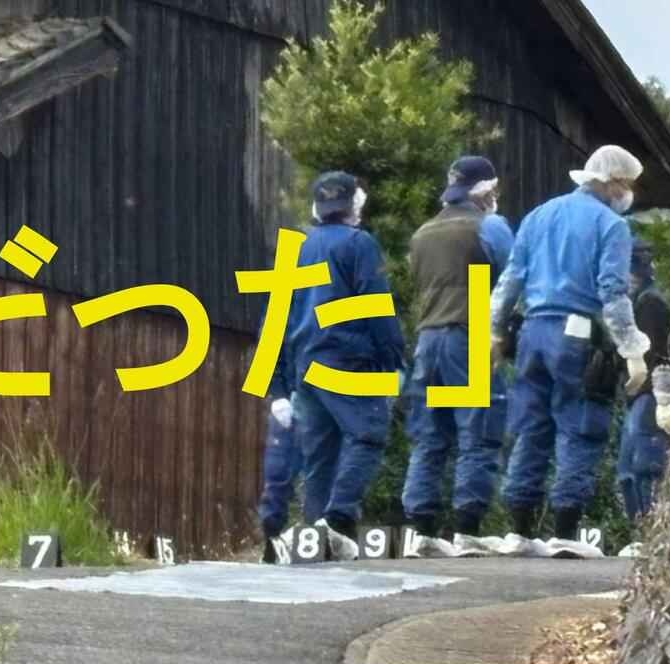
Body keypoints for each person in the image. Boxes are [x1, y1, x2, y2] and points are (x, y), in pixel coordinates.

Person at [490, 145, 650, 559]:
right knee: (580, 427)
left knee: (531, 427)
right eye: (628, 185)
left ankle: (519, 530)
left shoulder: (538, 215)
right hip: (576, 335)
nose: (629, 194)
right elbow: (612, 292)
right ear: (613, 181)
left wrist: (495, 333)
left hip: (531, 333)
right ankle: (564, 530)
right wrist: (632, 348)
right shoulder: (611, 226)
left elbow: (509, 281)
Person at [270, 171, 406, 560]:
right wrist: (393, 359)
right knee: (367, 435)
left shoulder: (298, 249)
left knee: (320, 453)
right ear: (355, 204)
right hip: (348, 359)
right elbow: (376, 306)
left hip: (306, 365)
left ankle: (316, 537)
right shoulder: (360, 244)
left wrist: (278, 386)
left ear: (317, 207)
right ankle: (338, 521)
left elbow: (278, 319)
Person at [401, 156, 513, 557]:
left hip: (428, 338)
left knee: (430, 436)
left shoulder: (422, 234)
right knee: (478, 432)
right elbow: (513, 277)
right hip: (471, 330)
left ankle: (422, 532)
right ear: (485, 190)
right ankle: (467, 530)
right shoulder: (490, 227)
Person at [616, 238, 670, 556]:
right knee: (630, 469)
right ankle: (643, 533)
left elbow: (660, 355)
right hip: (643, 396)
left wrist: (663, 398)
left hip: (651, 395)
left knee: (644, 465)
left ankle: (650, 533)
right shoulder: (641, 301)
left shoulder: (648, 304)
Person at [259, 332, 302, 564]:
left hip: (317, 392)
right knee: (279, 471)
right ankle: (271, 541)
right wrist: (277, 395)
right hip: (293, 395)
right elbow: (267, 347)